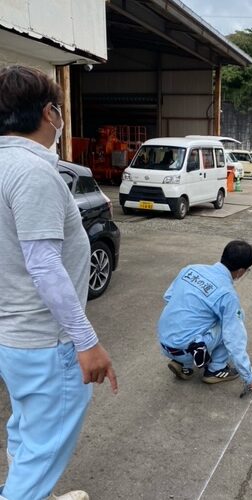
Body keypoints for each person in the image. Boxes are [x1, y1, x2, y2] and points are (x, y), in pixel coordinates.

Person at [0, 65, 118, 500]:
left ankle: (24, 490)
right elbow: (44, 264)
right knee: (46, 447)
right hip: (45, 341)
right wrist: (86, 342)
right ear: (50, 113)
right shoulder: (33, 172)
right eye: (60, 109)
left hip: (14, 338)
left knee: (28, 430)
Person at [157, 240, 252, 392]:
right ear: (240, 271)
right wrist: (250, 377)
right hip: (187, 348)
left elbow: (168, 297)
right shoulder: (228, 295)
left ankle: (184, 365)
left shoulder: (190, 269)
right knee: (233, 320)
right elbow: (234, 339)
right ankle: (216, 369)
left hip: (164, 342)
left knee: (196, 318)